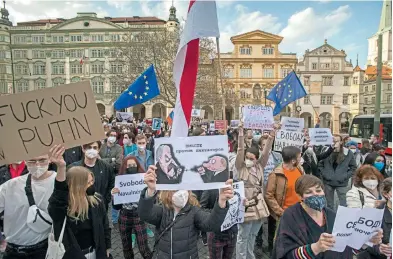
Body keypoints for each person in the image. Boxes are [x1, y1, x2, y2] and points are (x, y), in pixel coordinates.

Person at [272, 174, 384, 259]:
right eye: (309, 192)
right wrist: (316, 247)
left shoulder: (332, 215)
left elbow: (345, 248)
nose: (315, 194)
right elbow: (286, 253)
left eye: (318, 190)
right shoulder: (291, 216)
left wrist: (365, 241)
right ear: (300, 196)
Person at [138, 165, 233, 259]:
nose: (181, 192)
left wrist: (221, 202)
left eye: (184, 188)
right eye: (176, 189)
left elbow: (211, 224)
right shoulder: (162, 211)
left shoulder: (194, 212)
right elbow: (144, 214)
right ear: (168, 191)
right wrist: (150, 190)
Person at [48, 145, 111, 259]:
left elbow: (105, 225)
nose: (92, 185)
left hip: (96, 252)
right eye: (88, 183)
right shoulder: (63, 207)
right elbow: (58, 197)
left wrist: (107, 247)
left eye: (92, 181)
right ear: (77, 185)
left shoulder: (97, 200)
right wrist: (61, 167)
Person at [0, 150, 59, 259]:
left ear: (50, 160)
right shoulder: (10, 186)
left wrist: (62, 168)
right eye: (32, 161)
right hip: (13, 251)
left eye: (42, 160)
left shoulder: (58, 182)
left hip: (42, 250)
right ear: (25, 161)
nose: (37, 165)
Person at [235, 123, 276, 259]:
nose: (248, 160)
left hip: (258, 204)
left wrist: (271, 136)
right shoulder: (241, 166)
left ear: (256, 159)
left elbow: (266, 152)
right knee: (243, 236)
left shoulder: (259, 166)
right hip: (245, 204)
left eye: (251, 158)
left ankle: (250, 256)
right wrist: (241, 133)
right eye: (247, 157)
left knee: (252, 234)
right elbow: (240, 149)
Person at [111, 156, 152, 259]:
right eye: (129, 165)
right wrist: (114, 196)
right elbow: (116, 207)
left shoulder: (143, 179)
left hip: (139, 215)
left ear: (137, 166)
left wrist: (150, 189)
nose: (131, 167)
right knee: (126, 247)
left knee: (143, 247)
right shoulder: (120, 181)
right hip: (124, 215)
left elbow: (150, 202)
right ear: (125, 167)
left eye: (134, 165)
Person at [69, 141, 115, 209]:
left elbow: (111, 185)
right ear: (83, 149)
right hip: (79, 208)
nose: (92, 150)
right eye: (89, 147)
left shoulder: (107, 167)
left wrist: (105, 200)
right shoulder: (74, 168)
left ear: (98, 150)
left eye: (95, 148)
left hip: (100, 208)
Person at [318, 135, 357, 210]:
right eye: (333, 140)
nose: (335, 142)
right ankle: (331, 218)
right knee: (329, 204)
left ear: (341, 142)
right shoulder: (326, 151)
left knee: (344, 204)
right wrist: (324, 174)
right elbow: (320, 164)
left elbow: (353, 167)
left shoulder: (348, 153)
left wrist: (345, 176)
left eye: (337, 141)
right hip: (328, 182)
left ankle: (343, 219)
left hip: (342, 182)